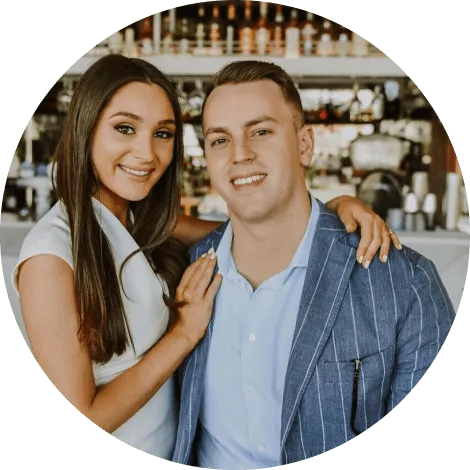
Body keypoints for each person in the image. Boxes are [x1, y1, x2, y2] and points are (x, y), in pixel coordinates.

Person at [11, 55, 397, 459]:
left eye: (162, 134)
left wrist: (334, 210)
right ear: (85, 129)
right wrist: (183, 334)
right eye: (125, 128)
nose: (146, 153)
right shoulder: (50, 255)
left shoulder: (139, 220)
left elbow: (258, 230)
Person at [171, 61, 456, 469]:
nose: (240, 154)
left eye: (261, 132)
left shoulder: (405, 282)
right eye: (220, 139)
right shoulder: (186, 272)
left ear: (305, 145)